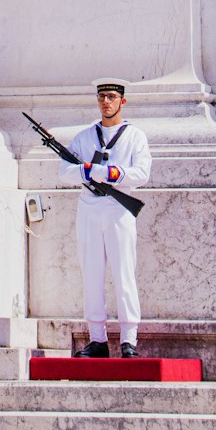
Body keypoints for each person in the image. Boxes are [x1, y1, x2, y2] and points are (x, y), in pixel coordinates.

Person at [59, 80, 152, 358]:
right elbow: (65, 172)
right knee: (92, 273)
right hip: (90, 208)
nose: (105, 102)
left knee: (124, 271)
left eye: (111, 97)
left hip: (118, 208)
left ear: (123, 101)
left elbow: (142, 173)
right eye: (101, 97)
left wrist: (112, 174)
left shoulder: (135, 136)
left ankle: (129, 339)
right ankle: (97, 339)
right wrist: (87, 171)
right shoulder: (85, 137)